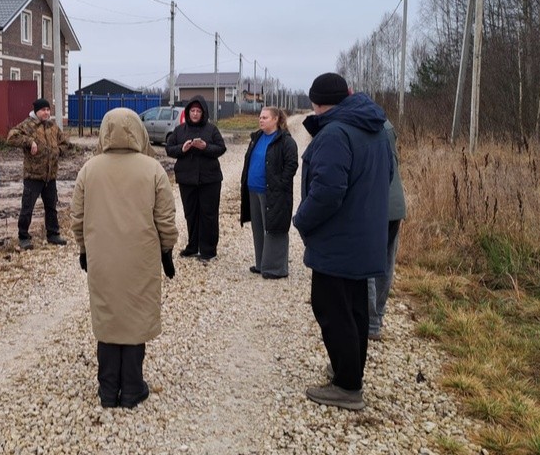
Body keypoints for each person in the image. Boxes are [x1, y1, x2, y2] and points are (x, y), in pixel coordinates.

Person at [292, 72, 392, 412]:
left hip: (339, 239)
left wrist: (301, 219)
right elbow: (388, 175)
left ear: (318, 103)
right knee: (354, 308)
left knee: (331, 308)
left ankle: (348, 386)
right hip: (363, 234)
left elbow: (327, 192)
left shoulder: (335, 133)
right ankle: (348, 369)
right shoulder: (373, 127)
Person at [71, 108, 178, 409]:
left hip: (102, 256)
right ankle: (131, 387)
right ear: (138, 131)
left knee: (108, 314)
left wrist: (83, 249)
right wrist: (167, 251)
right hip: (141, 255)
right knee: (135, 312)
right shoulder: (152, 169)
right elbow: (165, 218)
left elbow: (77, 217)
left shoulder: (89, 169)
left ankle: (107, 389)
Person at [239, 106, 298, 279]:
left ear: (275, 119)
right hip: (253, 191)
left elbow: (291, 165)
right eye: (260, 117)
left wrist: (279, 184)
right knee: (258, 228)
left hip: (273, 192)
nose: (261, 119)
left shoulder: (285, 141)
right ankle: (261, 264)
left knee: (274, 227)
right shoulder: (256, 137)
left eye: (265, 117)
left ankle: (276, 268)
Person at [166, 95, 227, 261]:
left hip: (210, 179)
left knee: (208, 214)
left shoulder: (211, 129)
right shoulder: (180, 130)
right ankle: (193, 246)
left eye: (198, 111)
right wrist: (182, 148)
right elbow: (169, 149)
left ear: (203, 112)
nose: (194, 114)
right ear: (187, 112)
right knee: (191, 214)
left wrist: (205, 146)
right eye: (192, 110)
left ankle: (208, 250)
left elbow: (221, 148)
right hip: (187, 179)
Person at [7, 97, 70, 250]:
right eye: (43, 110)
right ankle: (23, 236)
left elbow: (65, 143)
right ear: (36, 111)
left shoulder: (52, 126)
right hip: (33, 176)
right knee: (27, 207)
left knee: (51, 206)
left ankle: (53, 234)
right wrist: (29, 142)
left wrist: (57, 151)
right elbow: (11, 137)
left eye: (48, 110)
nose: (46, 112)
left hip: (50, 175)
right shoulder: (28, 125)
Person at [368, 119, 407, 341]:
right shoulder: (386, 125)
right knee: (385, 262)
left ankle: (370, 322)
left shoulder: (357, 127)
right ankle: (376, 320)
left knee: (367, 266)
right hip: (395, 204)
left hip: (375, 206)